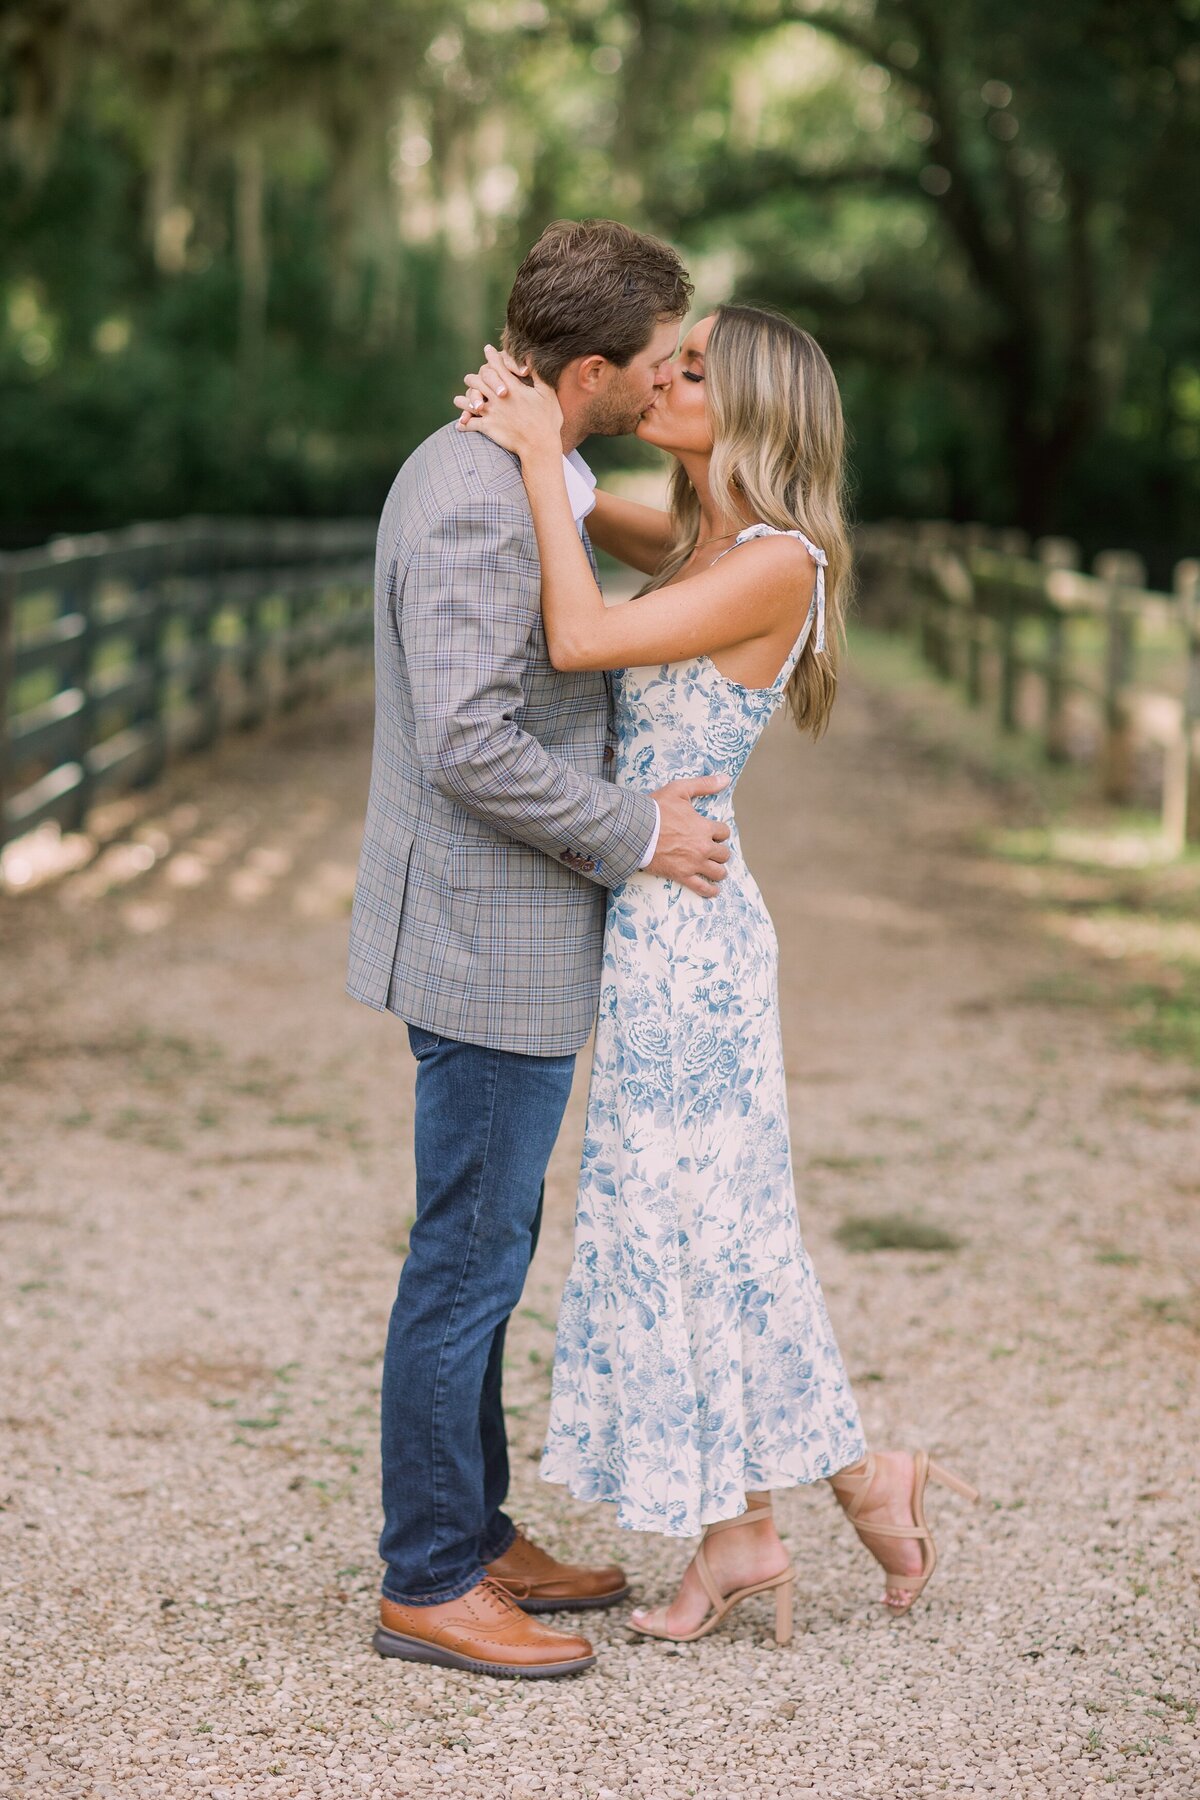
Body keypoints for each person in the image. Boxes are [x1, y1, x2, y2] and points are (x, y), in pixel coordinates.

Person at [455, 301, 978, 1645]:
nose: (661, 378)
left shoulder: (775, 566)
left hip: (693, 944)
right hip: (655, 918)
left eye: (691, 369)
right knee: (694, 1235)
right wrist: (539, 426)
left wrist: (527, 456)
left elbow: (577, 638)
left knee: (706, 1236)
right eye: (663, 361)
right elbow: (588, 510)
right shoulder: (706, 539)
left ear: (755, 408)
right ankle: (791, 1512)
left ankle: (811, 1501)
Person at [346, 220, 736, 1680]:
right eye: (654, 365)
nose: (666, 383)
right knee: (465, 1258)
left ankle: (475, 1522)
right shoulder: (469, 492)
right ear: (588, 369)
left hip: (504, 931)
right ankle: (429, 1579)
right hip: (481, 940)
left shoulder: (534, 465)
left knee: (489, 1251)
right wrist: (639, 831)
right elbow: (468, 742)